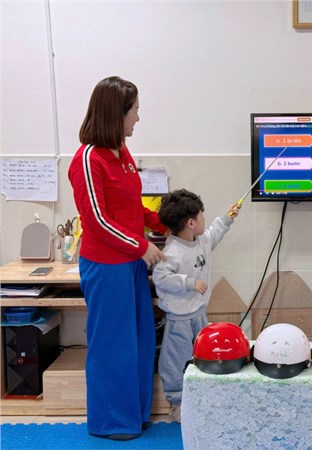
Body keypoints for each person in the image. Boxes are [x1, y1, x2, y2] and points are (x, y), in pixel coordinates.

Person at [68, 76, 168, 441]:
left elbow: (130, 208)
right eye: (135, 111)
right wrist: (142, 247)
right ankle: (110, 422)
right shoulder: (88, 159)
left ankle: (134, 415)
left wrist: (166, 225)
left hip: (130, 264)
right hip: (106, 267)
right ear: (116, 114)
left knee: (139, 341)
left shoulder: (121, 153)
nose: (138, 118)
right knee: (112, 345)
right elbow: (96, 220)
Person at [152, 189, 240, 423]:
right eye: (202, 215)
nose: (204, 219)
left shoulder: (201, 241)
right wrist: (189, 283)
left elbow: (214, 233)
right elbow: (161, 277)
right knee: (176, 361)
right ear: (191, 223)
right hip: (179, 319)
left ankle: (201, 398)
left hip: (199, 314)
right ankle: (177, 403)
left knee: (203, 356)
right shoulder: (171, 252)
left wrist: (227, 218)